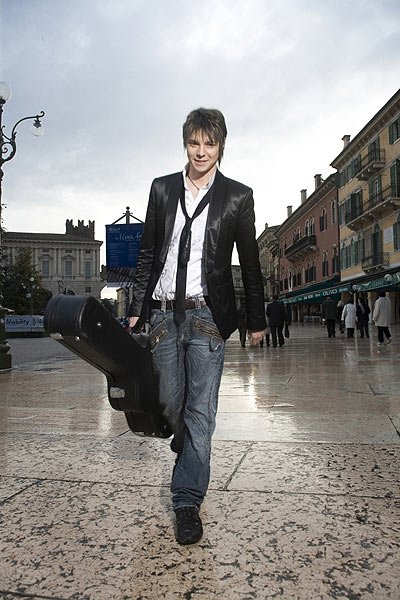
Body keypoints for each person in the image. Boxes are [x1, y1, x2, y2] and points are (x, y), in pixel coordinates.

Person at [128, 108, 266, 545]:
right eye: (194, 143)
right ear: (185, 143)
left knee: (201, 411)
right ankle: (185, 440)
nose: (201, 151)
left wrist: (257, 318)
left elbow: (251, 262)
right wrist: (136, 308)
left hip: (208, 315)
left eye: (210, 143)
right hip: (163, 313)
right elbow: (148, 254)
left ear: (221, 146)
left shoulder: (238, 196)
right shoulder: (162, 188)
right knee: (170, 401)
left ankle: (186, 501)